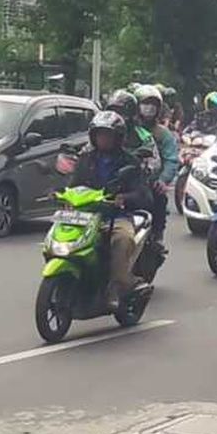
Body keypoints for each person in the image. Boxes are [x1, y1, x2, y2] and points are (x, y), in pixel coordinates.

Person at [69, 112, 155, 306]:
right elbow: (74, 185)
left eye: (108, 135)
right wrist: (63, 196)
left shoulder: (130, 162)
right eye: (100, 134)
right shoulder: (85, 159)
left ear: (118, 138)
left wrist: (123, 198)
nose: (103, 139)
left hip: (117, 217)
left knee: (122, 239)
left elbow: (144, 195)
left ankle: (116, 287)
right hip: (87, 215)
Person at [134, 84, 179, 246]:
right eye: (146, 103)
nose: (149, 108)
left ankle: (157, 235)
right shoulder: (126, 129)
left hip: (150, 181)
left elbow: (171, 159)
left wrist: (163, 179)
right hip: (126, 181)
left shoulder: (163, 133)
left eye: (153, 104)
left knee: (159, 198)